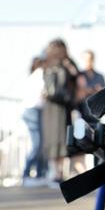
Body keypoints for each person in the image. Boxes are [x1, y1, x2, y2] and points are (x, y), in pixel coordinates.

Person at [41, 38, 79, 186]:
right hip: (56, 106)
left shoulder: (64, 64)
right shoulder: (49, 65)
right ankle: (56, 174)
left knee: (61, 138)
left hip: (61, 106)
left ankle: (58, 173)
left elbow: (75, 76)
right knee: (56, 138)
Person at [20, 56, 47, 186]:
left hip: (31, 111)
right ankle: (26, 174)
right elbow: (44, 93)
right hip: (33, 111)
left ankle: (38, 174)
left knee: (39, 144)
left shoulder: (31, 76)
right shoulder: (40, 74)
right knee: (38, 144)